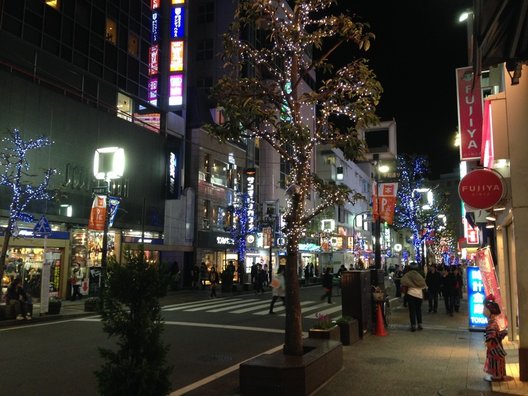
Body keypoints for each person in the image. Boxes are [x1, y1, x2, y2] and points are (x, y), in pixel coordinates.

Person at [483, 294, 507, 382]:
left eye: (485, 309)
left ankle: (497, 375)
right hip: (496, 346)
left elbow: (491, 337)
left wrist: (488, 344)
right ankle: (497, 374)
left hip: (494, 347)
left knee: (495, 360)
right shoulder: (493, 322)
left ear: (490, 311)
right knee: (495, 360)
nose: (483, 311)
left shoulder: (492, 324)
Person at [401, 262, 427, 331]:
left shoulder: (408, 274)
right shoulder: (420, 274)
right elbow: (424, 284)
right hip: (419, 294)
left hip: (411, 293)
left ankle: (413, 325)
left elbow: (403, 281)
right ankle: (420, 324)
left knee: (412, 310)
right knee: (418, 310)